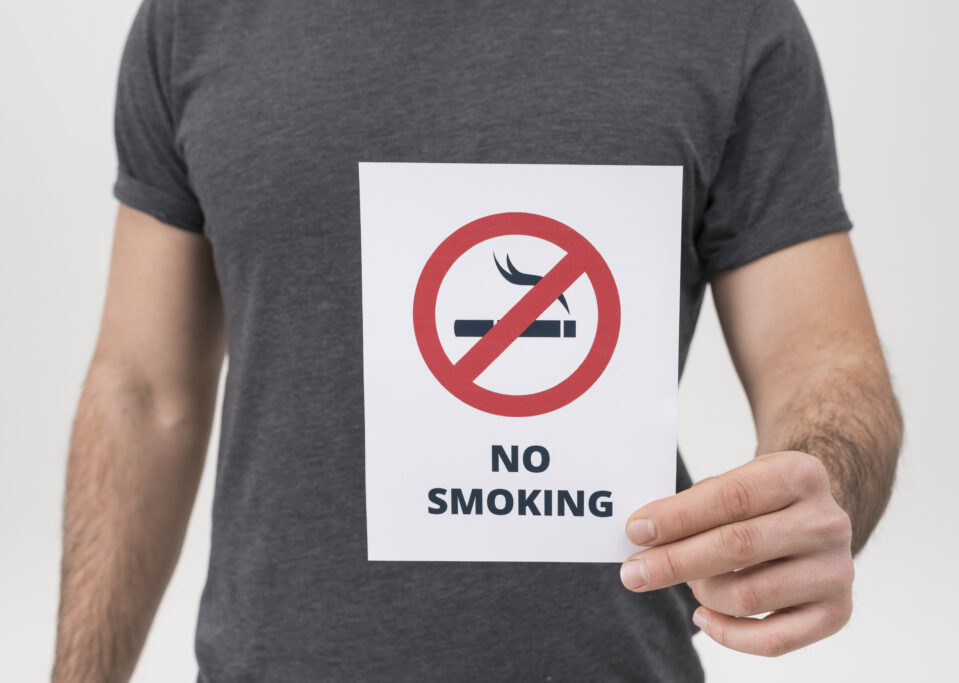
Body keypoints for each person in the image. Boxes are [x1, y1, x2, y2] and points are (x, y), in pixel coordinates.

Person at [51, 0, 902, 680]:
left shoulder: (726, 18)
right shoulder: (196, 17)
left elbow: (824, 365)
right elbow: (142, 394)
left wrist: (815, 484)